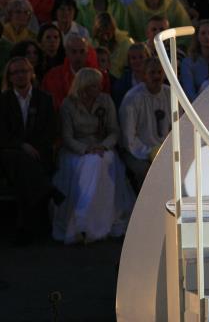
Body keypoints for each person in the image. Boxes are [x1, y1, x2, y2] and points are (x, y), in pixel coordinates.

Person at [53, 67, 134, 244]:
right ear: (84, 86)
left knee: (102, 161)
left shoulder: (105, 100)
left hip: (101, 146)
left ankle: (90, 218)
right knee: (92, 163)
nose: (99, 88)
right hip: (77, 149)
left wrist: (103, 145)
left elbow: (114, 130)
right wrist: (85, 149)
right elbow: (67, 137)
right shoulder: (68, 105)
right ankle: (84, 219)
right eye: (94, 86)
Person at [0, 57, 58, 244]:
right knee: (17, 159)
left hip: (38, 154)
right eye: (15, 72)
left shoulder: (44, 99)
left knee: (23, 171)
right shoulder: (3, 100)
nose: (20, 75)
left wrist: (34, 148)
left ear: (31, 73)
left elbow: (51, 131)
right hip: (10, 154)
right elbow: (2, 134)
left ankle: (24, 228)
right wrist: (22, 145)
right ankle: (47, 190)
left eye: (24, 71)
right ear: (9, 77)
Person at [118, 58, 170, 188]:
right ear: (144, 75)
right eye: (152, 72)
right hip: (137, 152)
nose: (156, 76)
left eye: (159, 72)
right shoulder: (132, 98)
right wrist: (150, 153)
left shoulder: (171, 94)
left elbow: (179, 126)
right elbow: (129, 137)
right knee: (147, 173)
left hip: (165, 150)